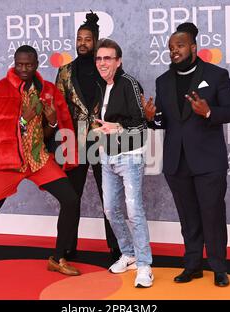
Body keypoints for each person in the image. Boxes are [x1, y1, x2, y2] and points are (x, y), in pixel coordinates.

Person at [0, 45, 82, 276]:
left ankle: (57, 258)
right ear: (14, 63)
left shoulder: (48, 92)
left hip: (38, 159)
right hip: (10, 163)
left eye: (29, 64)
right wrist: (22, 120)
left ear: (36, 64)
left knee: (71, 199)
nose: (24, 69)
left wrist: (53, 122)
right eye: (19, 64)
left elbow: (56, 128)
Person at [143, 22, 230, 287]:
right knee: (188, 218)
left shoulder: (217, 75)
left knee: (212, 215)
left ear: (194, 48)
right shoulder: (163, 81)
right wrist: (153, 118)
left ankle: (219, 268)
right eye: (171, 47)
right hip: (177, 162)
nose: (174, 51)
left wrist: (209, 112)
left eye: (180, 46)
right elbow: (165, 121)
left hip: (209, 162)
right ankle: (193, 265)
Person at [55, 11, 120, 260]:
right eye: (79, 39)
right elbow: (59, 108)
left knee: (109, 194)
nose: (82, 43)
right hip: (75, 141)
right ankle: (67, 246)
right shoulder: (64, 72)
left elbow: (117, 101)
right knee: (72, 196)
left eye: (87, 39)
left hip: (103, 139)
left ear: (95, 41)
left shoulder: (106, 68)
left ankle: (116, 246)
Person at [93, 38, 153, 288]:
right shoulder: (100, 85)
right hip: (107, 155)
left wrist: (117, 126)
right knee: (110, 209)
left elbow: (142, 124)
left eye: (108, 58)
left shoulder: (129, 84)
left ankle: (144, 265)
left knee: (134, 211)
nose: (103, 63)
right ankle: (127, 253)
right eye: (99, 58)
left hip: (129, 155)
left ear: (119, 61)